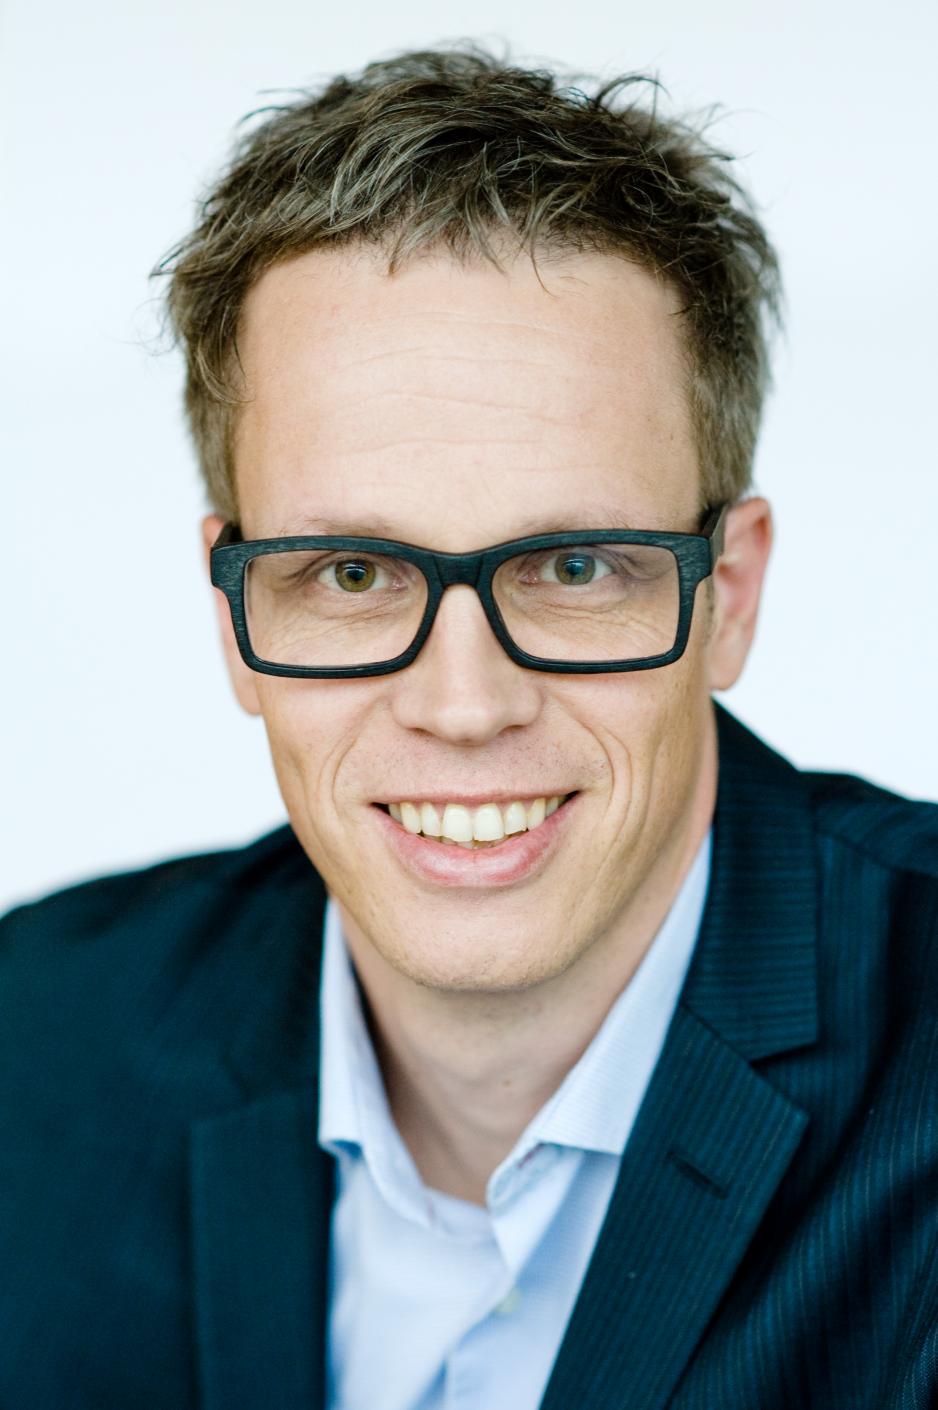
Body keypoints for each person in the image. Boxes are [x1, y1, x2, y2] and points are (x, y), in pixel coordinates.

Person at [1, 45, 935, 1410]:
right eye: (352, 574)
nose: (463, 705)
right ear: (232, 614)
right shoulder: (33, 1045)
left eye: (573, 567)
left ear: (726, 595)